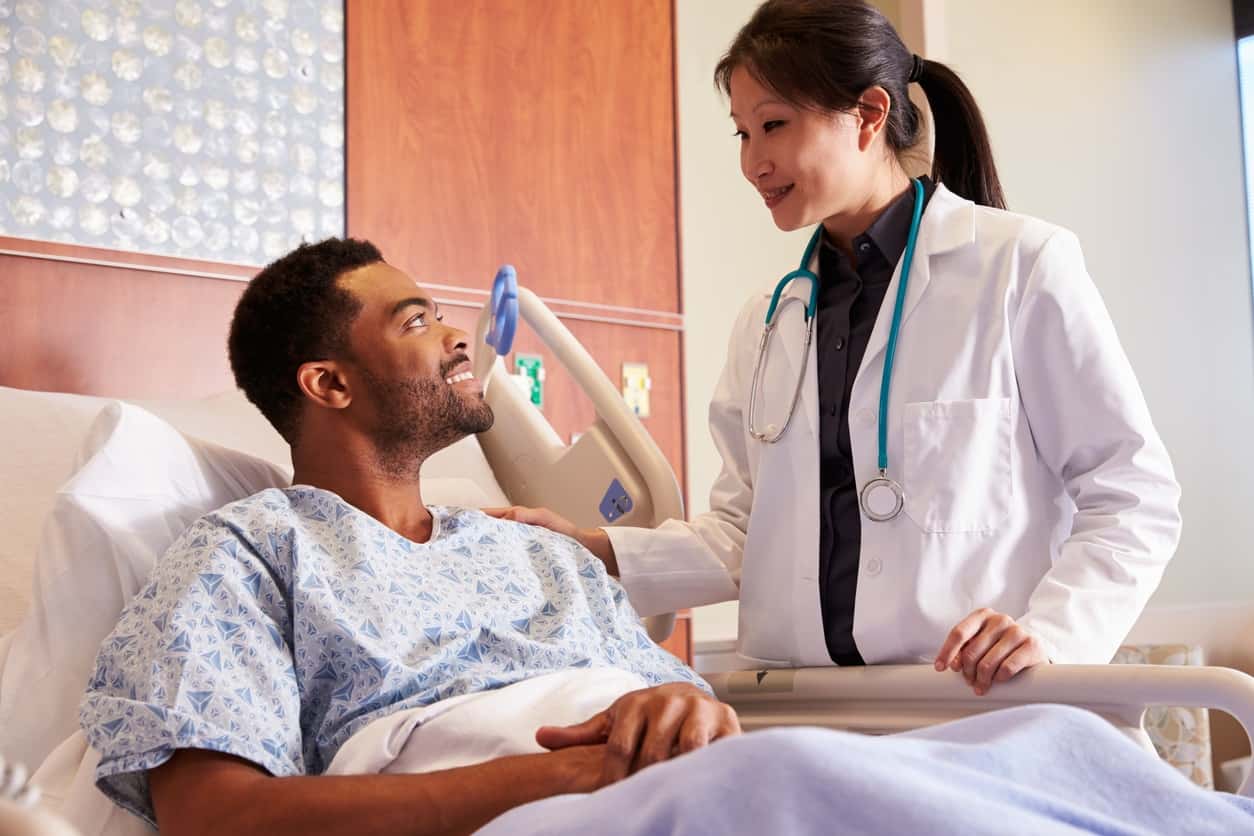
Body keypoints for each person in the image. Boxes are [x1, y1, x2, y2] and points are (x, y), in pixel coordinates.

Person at [492, 0, 1182, 695]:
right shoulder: (768, 320)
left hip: (973, 706)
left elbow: (1133, 495)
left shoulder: (1020, 267)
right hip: (808, 707)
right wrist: (593, 552)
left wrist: (1054, 635)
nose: (753, 162)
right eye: (741, 133)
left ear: (870, 114)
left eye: (774, 125)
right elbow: (742, 534)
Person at [78, 238, 739, 836]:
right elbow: (217, 818)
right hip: (554, 808)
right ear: (329, 383)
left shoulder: (540, 552)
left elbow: (688, 714)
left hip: (684, 796)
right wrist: (564, 777)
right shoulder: (250, 556)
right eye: (417, 321)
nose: (456, 337)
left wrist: (685, 708)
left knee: (818, 767)